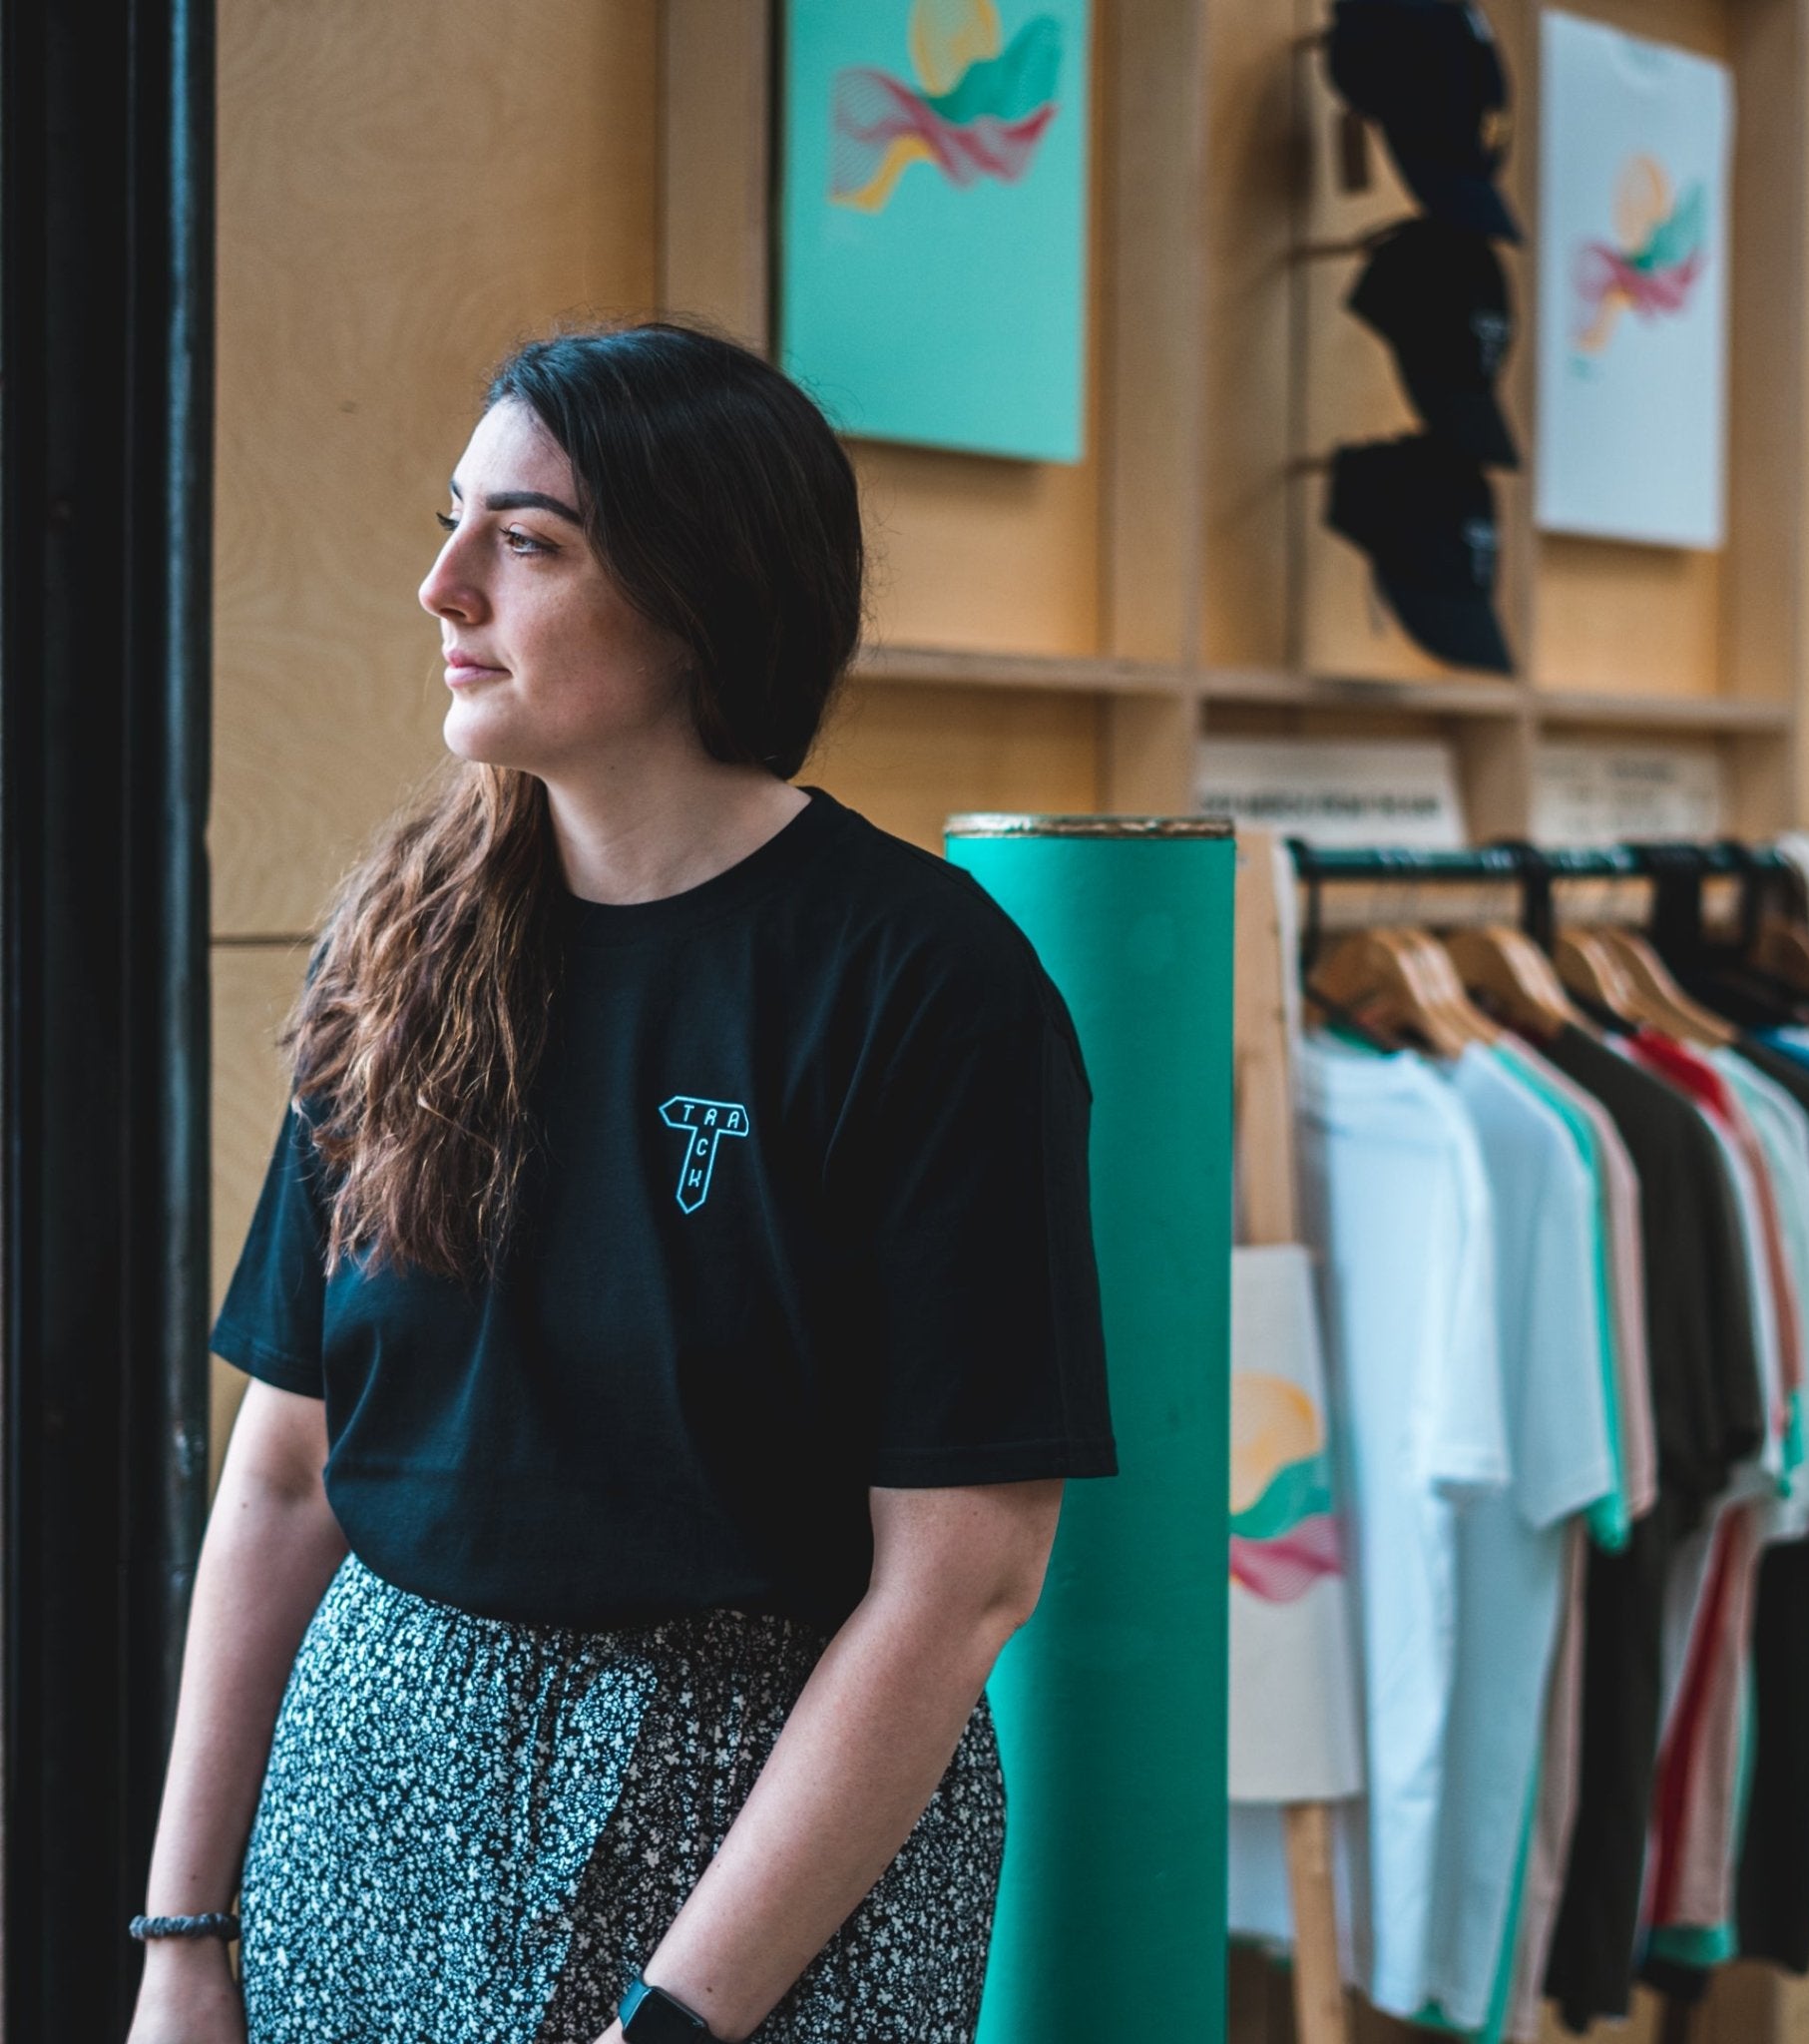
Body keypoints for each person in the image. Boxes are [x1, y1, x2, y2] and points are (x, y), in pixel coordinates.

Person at [124, 319, 1120, 2044]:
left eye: (526, 542)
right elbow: (285, 1478)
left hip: (766, 1824)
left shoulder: (926, 986)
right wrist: (183, 1936)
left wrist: (679, 2019)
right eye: (455, 522)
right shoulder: (399, 954)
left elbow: (961, 1581)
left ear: (698, 596)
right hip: (371, 1792)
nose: (443, 586)